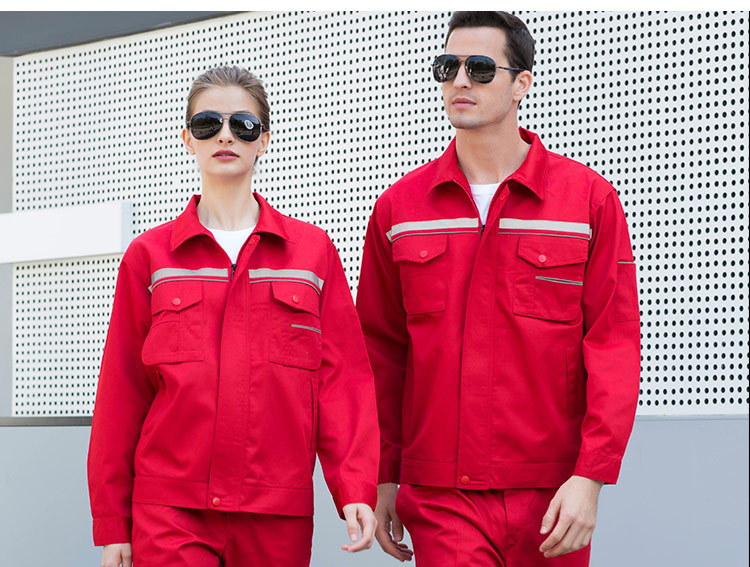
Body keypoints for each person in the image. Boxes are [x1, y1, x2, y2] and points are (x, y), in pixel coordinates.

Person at [356, 11, 640, 566]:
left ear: (520, 84)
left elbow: (613, 346)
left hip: (552, 493)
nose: (460, 81)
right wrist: (382, 475)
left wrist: (591, 476)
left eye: (481, 68)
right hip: (442, 494)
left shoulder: (587, 201)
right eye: (448, 67)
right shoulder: (401, 209)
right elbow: (380, 355)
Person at [88, 65, 379, 567]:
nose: (225, 136)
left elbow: (342, 381)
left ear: (263, 140)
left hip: (275, 510)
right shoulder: (151, 257)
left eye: (243, 124)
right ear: (188, 139)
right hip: (171, 510)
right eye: (207, 124)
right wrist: (113, 523)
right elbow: (122, 393)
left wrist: (354, 485)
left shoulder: (310, 253)